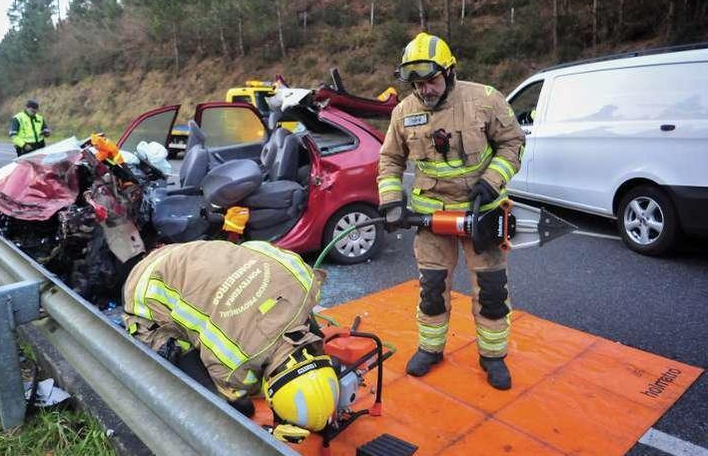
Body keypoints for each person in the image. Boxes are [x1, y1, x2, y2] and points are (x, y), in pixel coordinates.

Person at [376, 32, 526, 390]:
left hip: (483, 215)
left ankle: (493, 356)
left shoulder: (485, 100)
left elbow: (513, 143)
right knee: (431, 288)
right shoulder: (403, 113)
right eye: (416, 83)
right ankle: (430, 349)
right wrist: (392, 202)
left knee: (491, 290)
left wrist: (491, 181)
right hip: (431, 221)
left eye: (431, 80)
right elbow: (390, 160)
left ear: (450, 71)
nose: (424, 90)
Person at [121, 240, 339, 432]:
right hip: (145, 288)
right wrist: (237, 401)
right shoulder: (234, 367)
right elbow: (237, 401)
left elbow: (255, 247)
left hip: (187, 253)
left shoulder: (305, 283)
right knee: (188, 365)